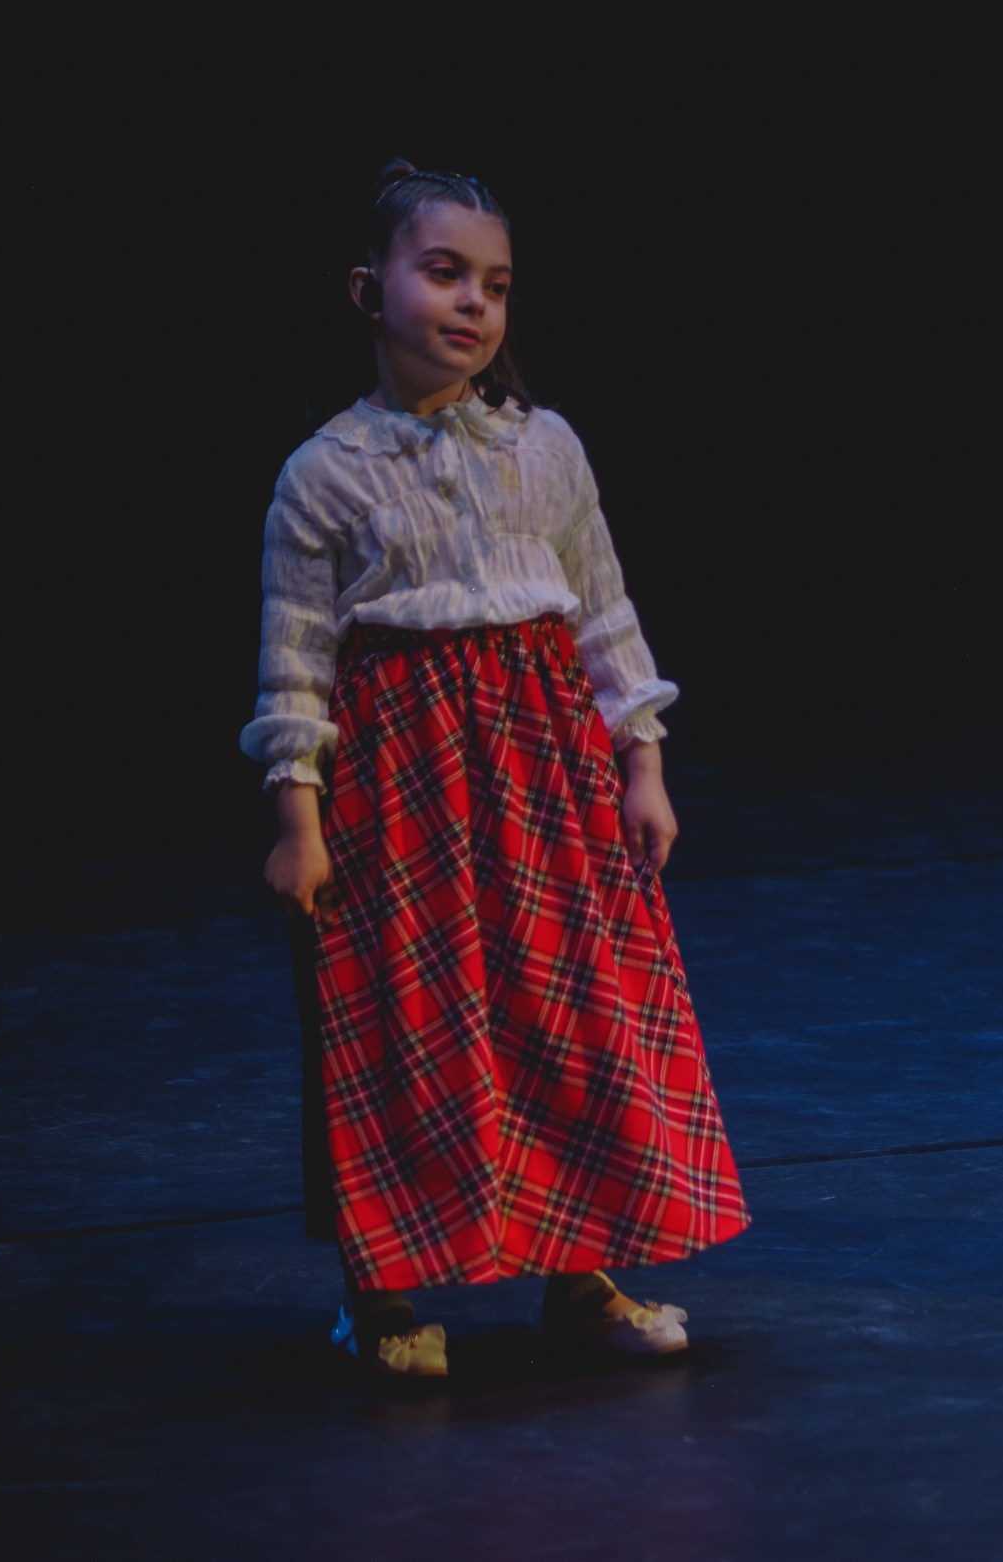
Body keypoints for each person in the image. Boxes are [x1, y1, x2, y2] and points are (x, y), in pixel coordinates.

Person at [244, 162, 748, 1377]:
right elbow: (296, 667)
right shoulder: (324, 474)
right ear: (370, 292)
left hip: (543, 764)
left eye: (497, 284)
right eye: (444, 273)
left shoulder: (547, 447)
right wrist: (296, 817)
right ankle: (383, 1292)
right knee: (404, 1028)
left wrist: (644, 762)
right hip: (401, 778)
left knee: (566, 1017)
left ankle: (581, 1275)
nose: (473, 303)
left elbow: (605, 616)